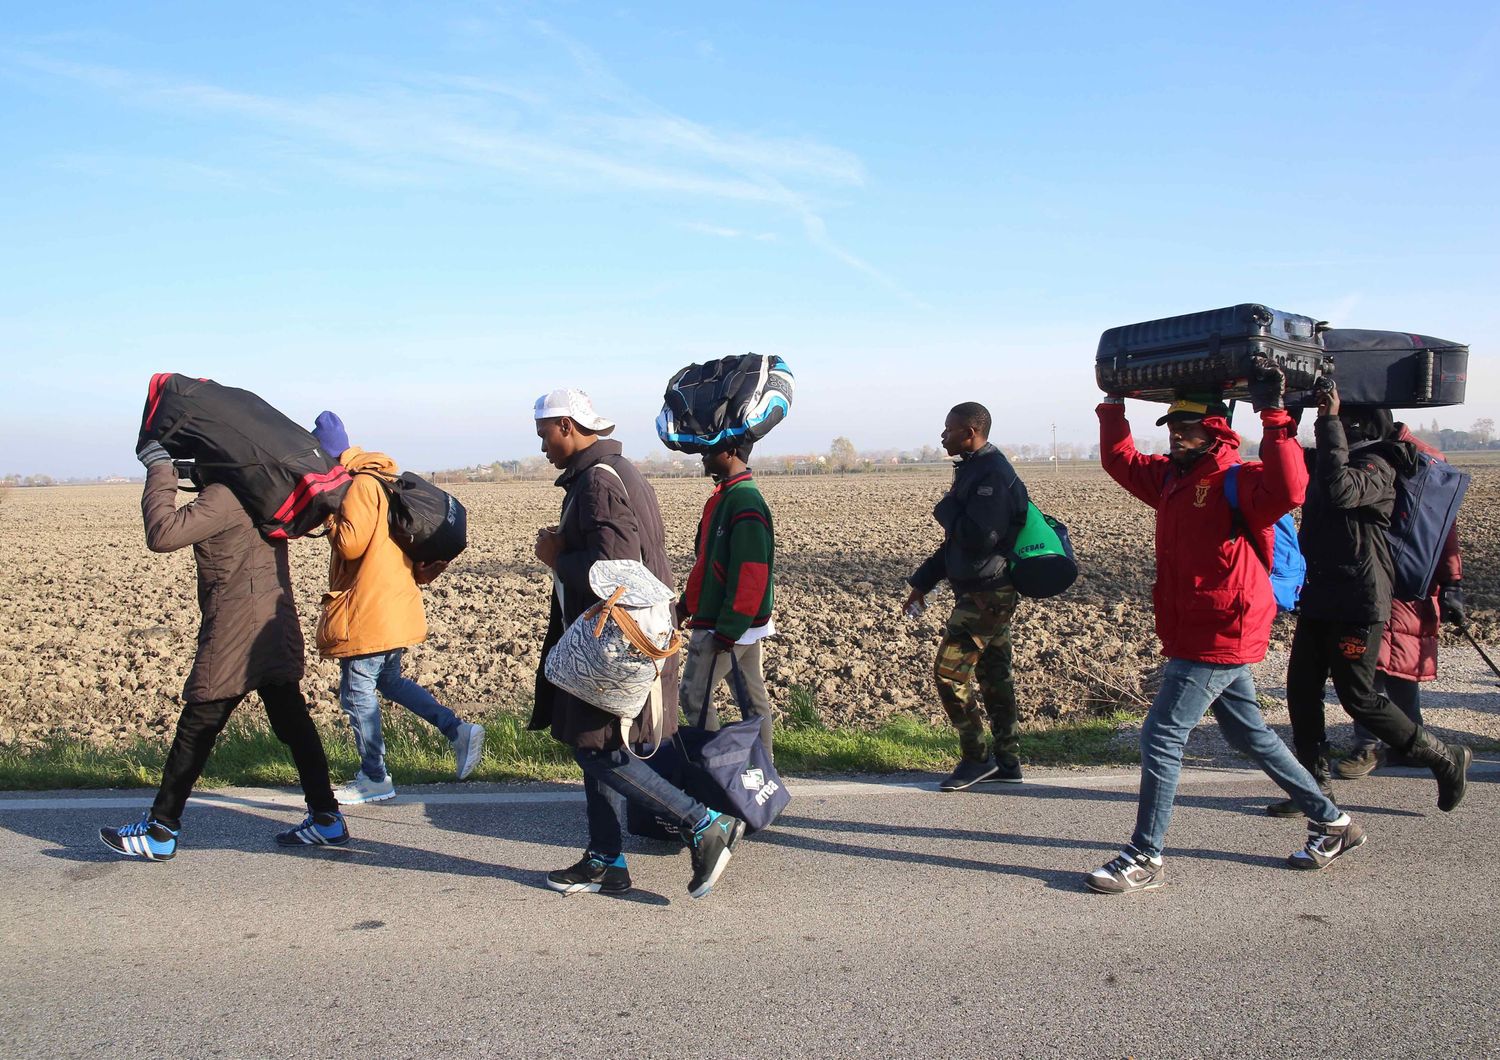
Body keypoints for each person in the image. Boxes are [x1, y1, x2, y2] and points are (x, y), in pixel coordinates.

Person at [1086, 374, 1364, 895]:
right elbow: (1119, 461)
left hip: (1221, 627)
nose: (1174, 434)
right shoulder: (1172, 479)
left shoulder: (1238, 478)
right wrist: (1112, 405)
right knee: (1247, 734)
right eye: (1171, 425)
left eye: (1186, 426)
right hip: (1196, 624)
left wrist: (1276, 418)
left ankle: (1145, 855)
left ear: (1214, 429)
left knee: (1161, 736)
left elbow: (1291, 489)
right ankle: (1334, 824)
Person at [530, 387, 744, 899]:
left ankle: (703, 824)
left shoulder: (597, 485)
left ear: (567, 426)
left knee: (600, 752)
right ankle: (606, 859)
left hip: (612, 646)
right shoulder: (616, 473)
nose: (542, 448)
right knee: (597, 744)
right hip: (621, 640)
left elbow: (617, 570)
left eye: (544, 436)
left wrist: (557, 556)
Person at [100, 441, 348, 859]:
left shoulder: (226, 495)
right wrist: (191, 474)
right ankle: (326, 818)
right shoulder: (263, 488)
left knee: (198, 724)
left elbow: (162, 534)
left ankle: (160, 830)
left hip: (236, 630)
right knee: (293, 721)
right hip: (275, 624)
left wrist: (160, 469)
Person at [1269, 385, 1471, 815]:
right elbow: (1284, 469)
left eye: (1340, 420)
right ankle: (1313, 789)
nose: (1332, 426)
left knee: (1358, 696)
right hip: (1320, 592)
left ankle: (1444, 757)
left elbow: (1342, 490)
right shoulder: (1326, 459)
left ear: (1356, 425)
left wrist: (1327, 424)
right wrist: (1281, 414)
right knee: (1301, 691)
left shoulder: (1383, 464)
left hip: (1360, 598)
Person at [311, 412, 485, 805]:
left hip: (370, 610)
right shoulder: (382, 477)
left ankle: (374, 777)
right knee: (388, 681)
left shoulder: (359, 486)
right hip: (393, 605)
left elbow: (351, 545)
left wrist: (330, 516)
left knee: (356, 693)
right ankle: (456, 730)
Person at [902, 402, 1031, 791]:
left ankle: (976, 759)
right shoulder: (974, 469)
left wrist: (945, 508)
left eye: (949, 429)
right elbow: (956, 545)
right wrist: (923, 582)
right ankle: (1007, 761)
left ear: (971, 432)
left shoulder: (991, 473)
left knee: (948, 672)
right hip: (982, 591)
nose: (943, 435)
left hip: (988, 593)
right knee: (995, 677)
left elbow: (979, 537)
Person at [1336, 426, 1465, 779]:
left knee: (1385, 669)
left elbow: (1441, 533)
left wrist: (1453, 583)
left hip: (1398, 582)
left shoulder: (1403, 464)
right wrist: (1452, 583)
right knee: (1379, 666)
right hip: (1390, 579)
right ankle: (1402, 743)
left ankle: (1379, 746)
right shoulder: (1417, 465)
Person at [676, 438, 778, 758]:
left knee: (695, 696)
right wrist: (685, 604)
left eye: (709, 450)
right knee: (751, 699)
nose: (703, 456)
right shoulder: (726, 497)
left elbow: (752, 571)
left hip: (727, 623)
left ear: (731, 452)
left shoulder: (744, 500)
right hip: (735, 621)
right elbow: (708, 563)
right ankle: (762, 771)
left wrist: (729, 628)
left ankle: (717, 772)